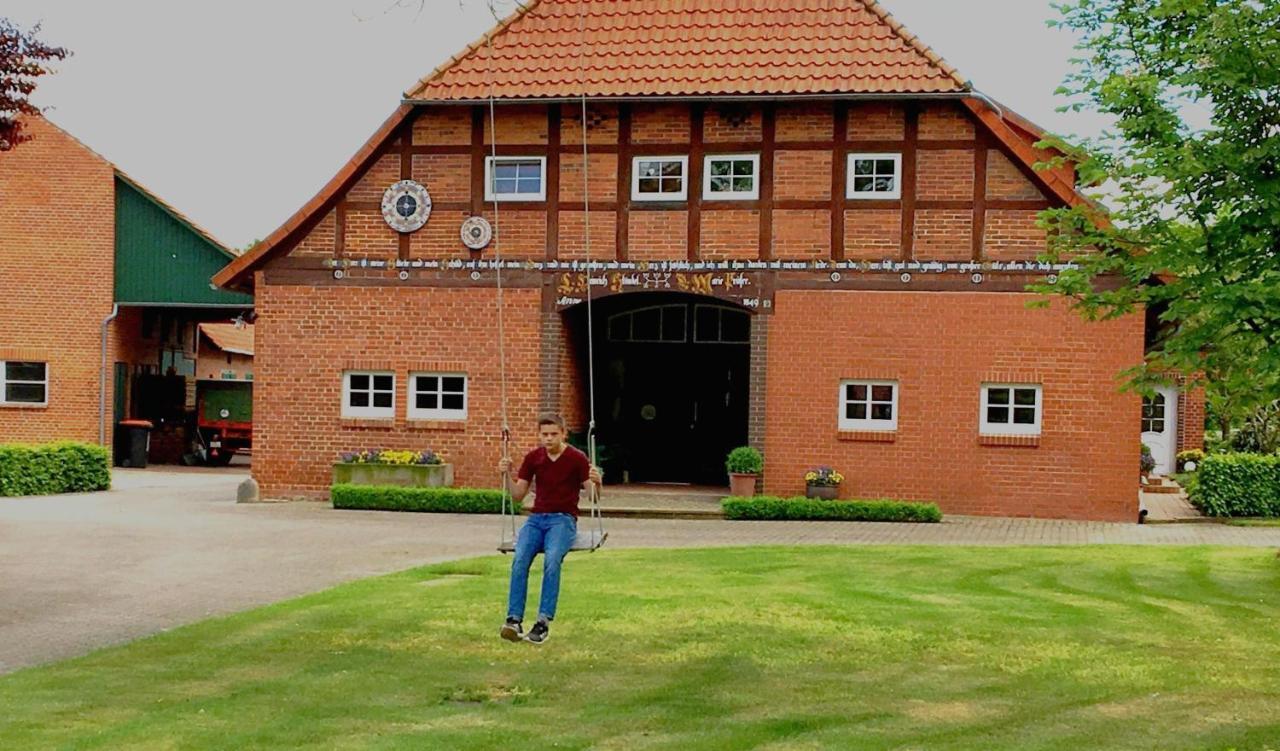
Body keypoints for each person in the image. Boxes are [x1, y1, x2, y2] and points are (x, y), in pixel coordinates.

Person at [497, 412, 602, 645]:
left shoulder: (577, 458)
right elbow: (517, 495)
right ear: (539, 436)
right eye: (544, 435)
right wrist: (505, 475)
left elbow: (592, 497)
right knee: (520, 559)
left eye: (554, 434)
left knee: (552, 559)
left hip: (563, 520)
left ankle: (542, 622)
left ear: (564, 434)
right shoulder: (534, 458)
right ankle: (514, 620)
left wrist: (597, 481)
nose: (549, 439)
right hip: (536, 519)